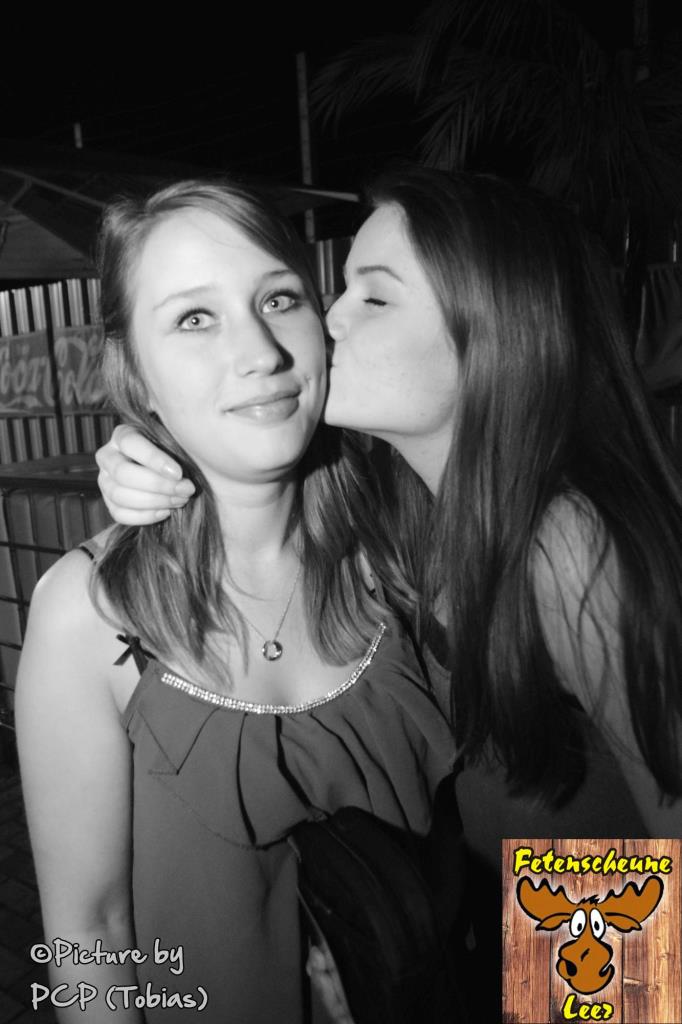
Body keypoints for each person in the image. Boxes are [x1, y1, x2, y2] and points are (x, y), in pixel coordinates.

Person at [97, 163, 682, 1014]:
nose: (327, 319)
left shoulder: (565, 539)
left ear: (492, 327)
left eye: (372, 297)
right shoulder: (412, 514)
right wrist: (147, 447)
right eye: (333, 291)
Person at [14, 178, 459, 1024]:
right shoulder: (88, 613)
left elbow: (599, 839)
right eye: (194, 317)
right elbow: (87, 932)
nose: (260, 349)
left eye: (279, 298)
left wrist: (610, 990)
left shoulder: (417, 544)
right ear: (134, 374)